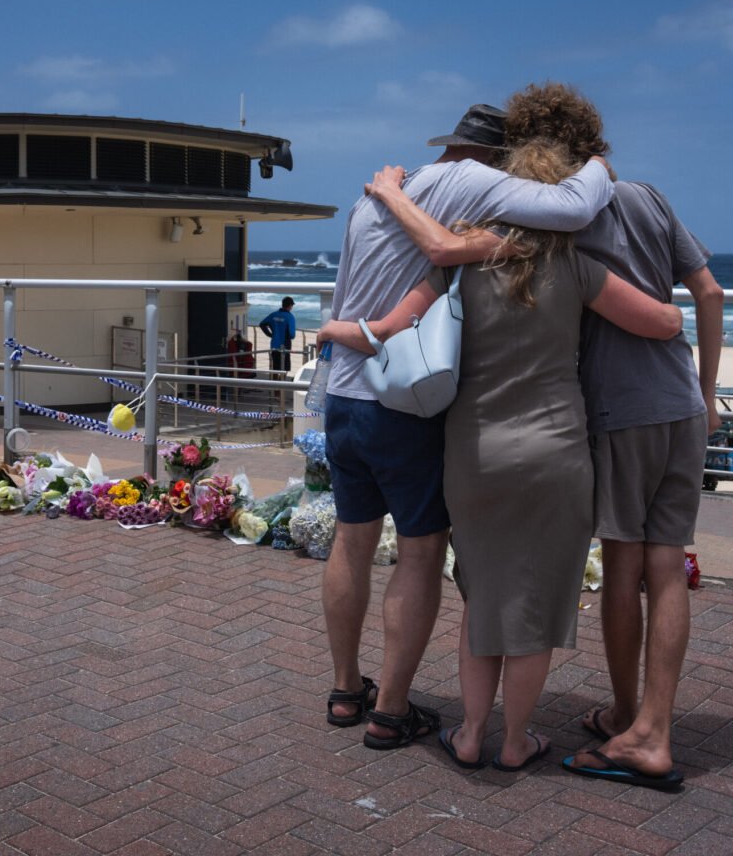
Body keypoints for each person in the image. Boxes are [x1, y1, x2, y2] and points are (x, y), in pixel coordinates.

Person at [323, 137, 682, 770]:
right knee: (534, 602)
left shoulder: (456, 269)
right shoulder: (576, 268)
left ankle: (469, 735)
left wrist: (333, 330)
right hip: (555, 453)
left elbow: (388, 330)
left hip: (474, 451)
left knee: (483, 594)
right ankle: (516, 742)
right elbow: (662, 323)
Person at [489, 83, 724, 790]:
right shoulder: (648, 197)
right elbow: (709, 292)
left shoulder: (560, 215)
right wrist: (707, 392)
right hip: (681, 404)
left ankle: (636, 726)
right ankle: (652, 723)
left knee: (624, 566)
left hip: (621, 412)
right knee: (668, 565)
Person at [259, 296, 296, 373]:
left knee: (275, 367)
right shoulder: (290, 317)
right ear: (290, 306)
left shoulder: (273, 315)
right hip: (285, 345)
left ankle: (276, 379)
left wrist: (270, 334)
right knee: (285, 367)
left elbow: (262, 324)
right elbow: (292, 335)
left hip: (274, 344)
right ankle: (282, 380)